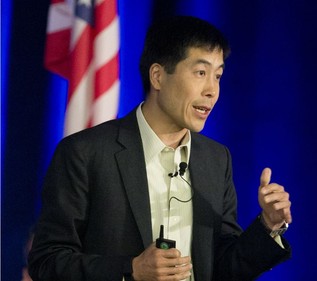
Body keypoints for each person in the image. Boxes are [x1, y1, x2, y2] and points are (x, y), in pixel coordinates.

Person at [28, 15, 292, 281]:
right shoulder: (85, 153)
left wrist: (268, 225)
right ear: (158, 76)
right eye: (200, 73)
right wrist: (131, 270)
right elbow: (48, 262)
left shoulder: (216, 159)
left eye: (218, 75)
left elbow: (223, 267)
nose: (213, 90)